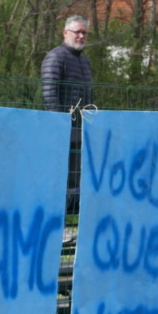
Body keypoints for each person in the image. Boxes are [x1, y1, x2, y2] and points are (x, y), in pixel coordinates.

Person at [42, 15, 94, 229]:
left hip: (81, 131)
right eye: (77, 32)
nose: (81, 36)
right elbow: (49, 92)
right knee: (59, 183)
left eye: (84, 32)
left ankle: (73, 230)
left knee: (77, 182)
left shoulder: (85, 61)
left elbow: (90, 97)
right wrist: (58, 126)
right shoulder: (55, 57)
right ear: (65, 33)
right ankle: (57, 229)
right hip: (63, 131)